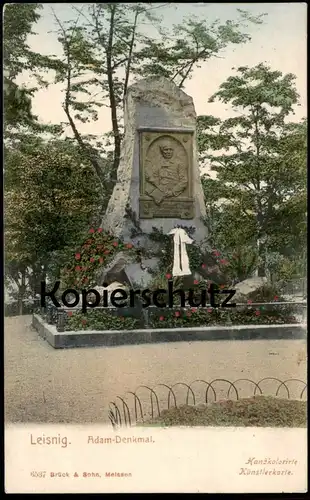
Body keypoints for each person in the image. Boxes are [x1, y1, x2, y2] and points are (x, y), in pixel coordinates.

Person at [145, 139, 188, 205]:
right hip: (160, 191)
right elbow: (154, 177)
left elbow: (184, 181)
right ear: (162, 151)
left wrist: (172, 192)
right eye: (166, 149)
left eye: (170, 149)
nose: (168, 152)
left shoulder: (179, 163)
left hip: (174, 193)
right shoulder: (158, 164)